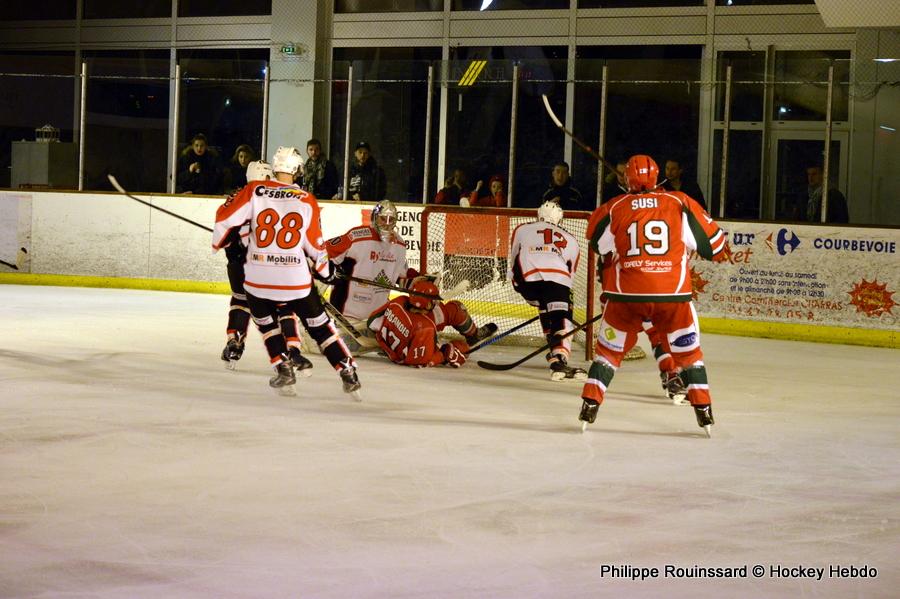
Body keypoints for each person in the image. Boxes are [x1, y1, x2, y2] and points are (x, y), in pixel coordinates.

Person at [581, 154, 730, 435]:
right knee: (689, 355)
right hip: (672, 297)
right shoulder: (680, 201)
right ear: (657, 175)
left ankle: (589, 404)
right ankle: (704, 410)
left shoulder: (615, 206)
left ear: (627, 178)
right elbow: (714, 246)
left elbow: (598, 245)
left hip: (626, 297)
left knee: (608, 355)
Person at [212, 146, 361, 399]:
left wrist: (222, 242)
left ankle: (283, 367)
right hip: (294, 278)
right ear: (297, 169)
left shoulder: (255, 191)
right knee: (320, 327)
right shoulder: (306, 198)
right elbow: (316, 245)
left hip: (259, 278)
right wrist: (326, 272)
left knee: (265, 322)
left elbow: (226, 221)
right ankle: (347, 370)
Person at [324, 199, 421, 350]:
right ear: (375, 218)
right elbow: (325, 252)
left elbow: (402, 277)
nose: (387, 224)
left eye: (391, 220)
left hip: (377, 318)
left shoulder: (400, 245)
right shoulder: (358, 236)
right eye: (383, 218)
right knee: (344, 348)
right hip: (347, 317)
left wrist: (419, 282)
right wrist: (329, 269)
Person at [508, 201, 586, 381]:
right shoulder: (571, 239)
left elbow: (513, 258)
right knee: (562, 316)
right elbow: (570, 276)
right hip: (557, 282)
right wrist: (562, 301)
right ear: (560, 219)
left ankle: (553, 343)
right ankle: (559, 357)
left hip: (526, 283)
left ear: (538, 215)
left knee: (546, 302)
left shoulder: (521, 229)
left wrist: (516, 282)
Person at [368, 279, 497, 368]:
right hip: (410, 348)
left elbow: (371, 320)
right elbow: (419, 361)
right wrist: (444, 354)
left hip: (393, 340)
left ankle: (474, 334)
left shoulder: (399, 301)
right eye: (433, 301)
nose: (436, 303)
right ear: (427, 304)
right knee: (463, 347)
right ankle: (473, 336)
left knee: (453, 311)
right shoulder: (425, 328)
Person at [219, 160, 274, 369]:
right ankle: (286, 351)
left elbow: (223, 227)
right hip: (265, 262)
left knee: (241, 299)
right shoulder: (276, 199)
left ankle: (234, 341)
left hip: (237, 261)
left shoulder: (235, 197)